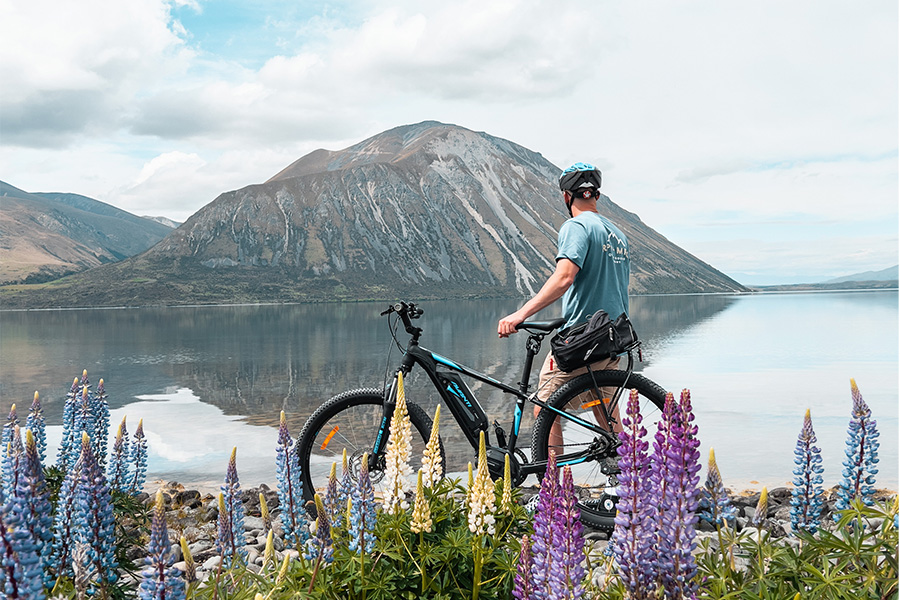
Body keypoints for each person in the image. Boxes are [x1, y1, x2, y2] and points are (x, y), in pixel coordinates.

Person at [497, 162, 630, 447]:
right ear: (596, 195)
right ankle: (627, 476)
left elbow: (564, 278)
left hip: (583, 337)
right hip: (614, 335)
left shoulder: (576, 226)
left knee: (545, 409)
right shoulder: (617, 234)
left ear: (567, 196)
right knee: (605, 406)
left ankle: (553, 486)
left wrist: (520, 314)